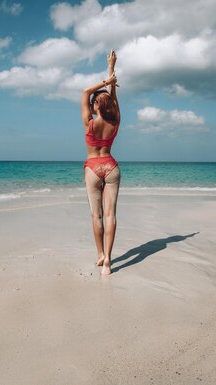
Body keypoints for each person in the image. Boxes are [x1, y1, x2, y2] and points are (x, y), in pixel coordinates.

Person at [81, 49, 121, 276]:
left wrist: (107, 80)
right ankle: (108, 261)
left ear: (97, 105)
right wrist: (111, 71)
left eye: (96, 101)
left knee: (96, 215)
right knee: (110, 215)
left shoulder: (89, 121)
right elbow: (113, 100)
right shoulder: (115, 121)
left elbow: (86, 91)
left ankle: (100, 255)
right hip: (111, 166)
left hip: (93, 168)